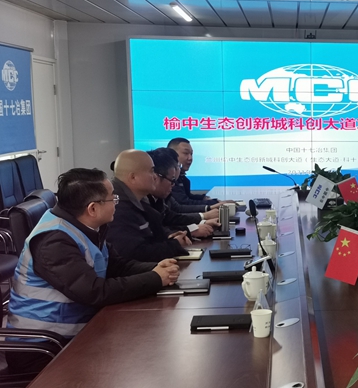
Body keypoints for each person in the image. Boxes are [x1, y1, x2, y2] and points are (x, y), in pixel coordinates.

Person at [6, 168, 180, 373]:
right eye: (112, 198)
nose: (116, 202)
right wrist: (155, 279)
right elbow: (94, 292)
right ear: (93, 209)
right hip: (44, 348)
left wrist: (156, 269)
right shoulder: (54, 241)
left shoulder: (85, 227)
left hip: (75, 333)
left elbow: (117, 266)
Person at [107, 149, 191, 262]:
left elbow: (152, 235)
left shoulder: (140, 201)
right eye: (151, 171)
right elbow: (134, 253)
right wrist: (175, 245)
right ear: (133, 177)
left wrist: (169, 236)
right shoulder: (118, 208)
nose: (155, 177)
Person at [147, 148, 219, 238]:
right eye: (172, 180)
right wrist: (192, 229)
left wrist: (200, 223)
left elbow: (171, 218)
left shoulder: (157, 198)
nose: (173, 185)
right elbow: (156, 233)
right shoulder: (141, 203)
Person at [167, 137, 231, 207]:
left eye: (191, 154)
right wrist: (213, 204)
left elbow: (187, 197)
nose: (190, 158)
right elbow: (184, 203)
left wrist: (204, 198)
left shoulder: (184, 179)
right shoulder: (169, 178)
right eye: (186, 153)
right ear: (172, 154)